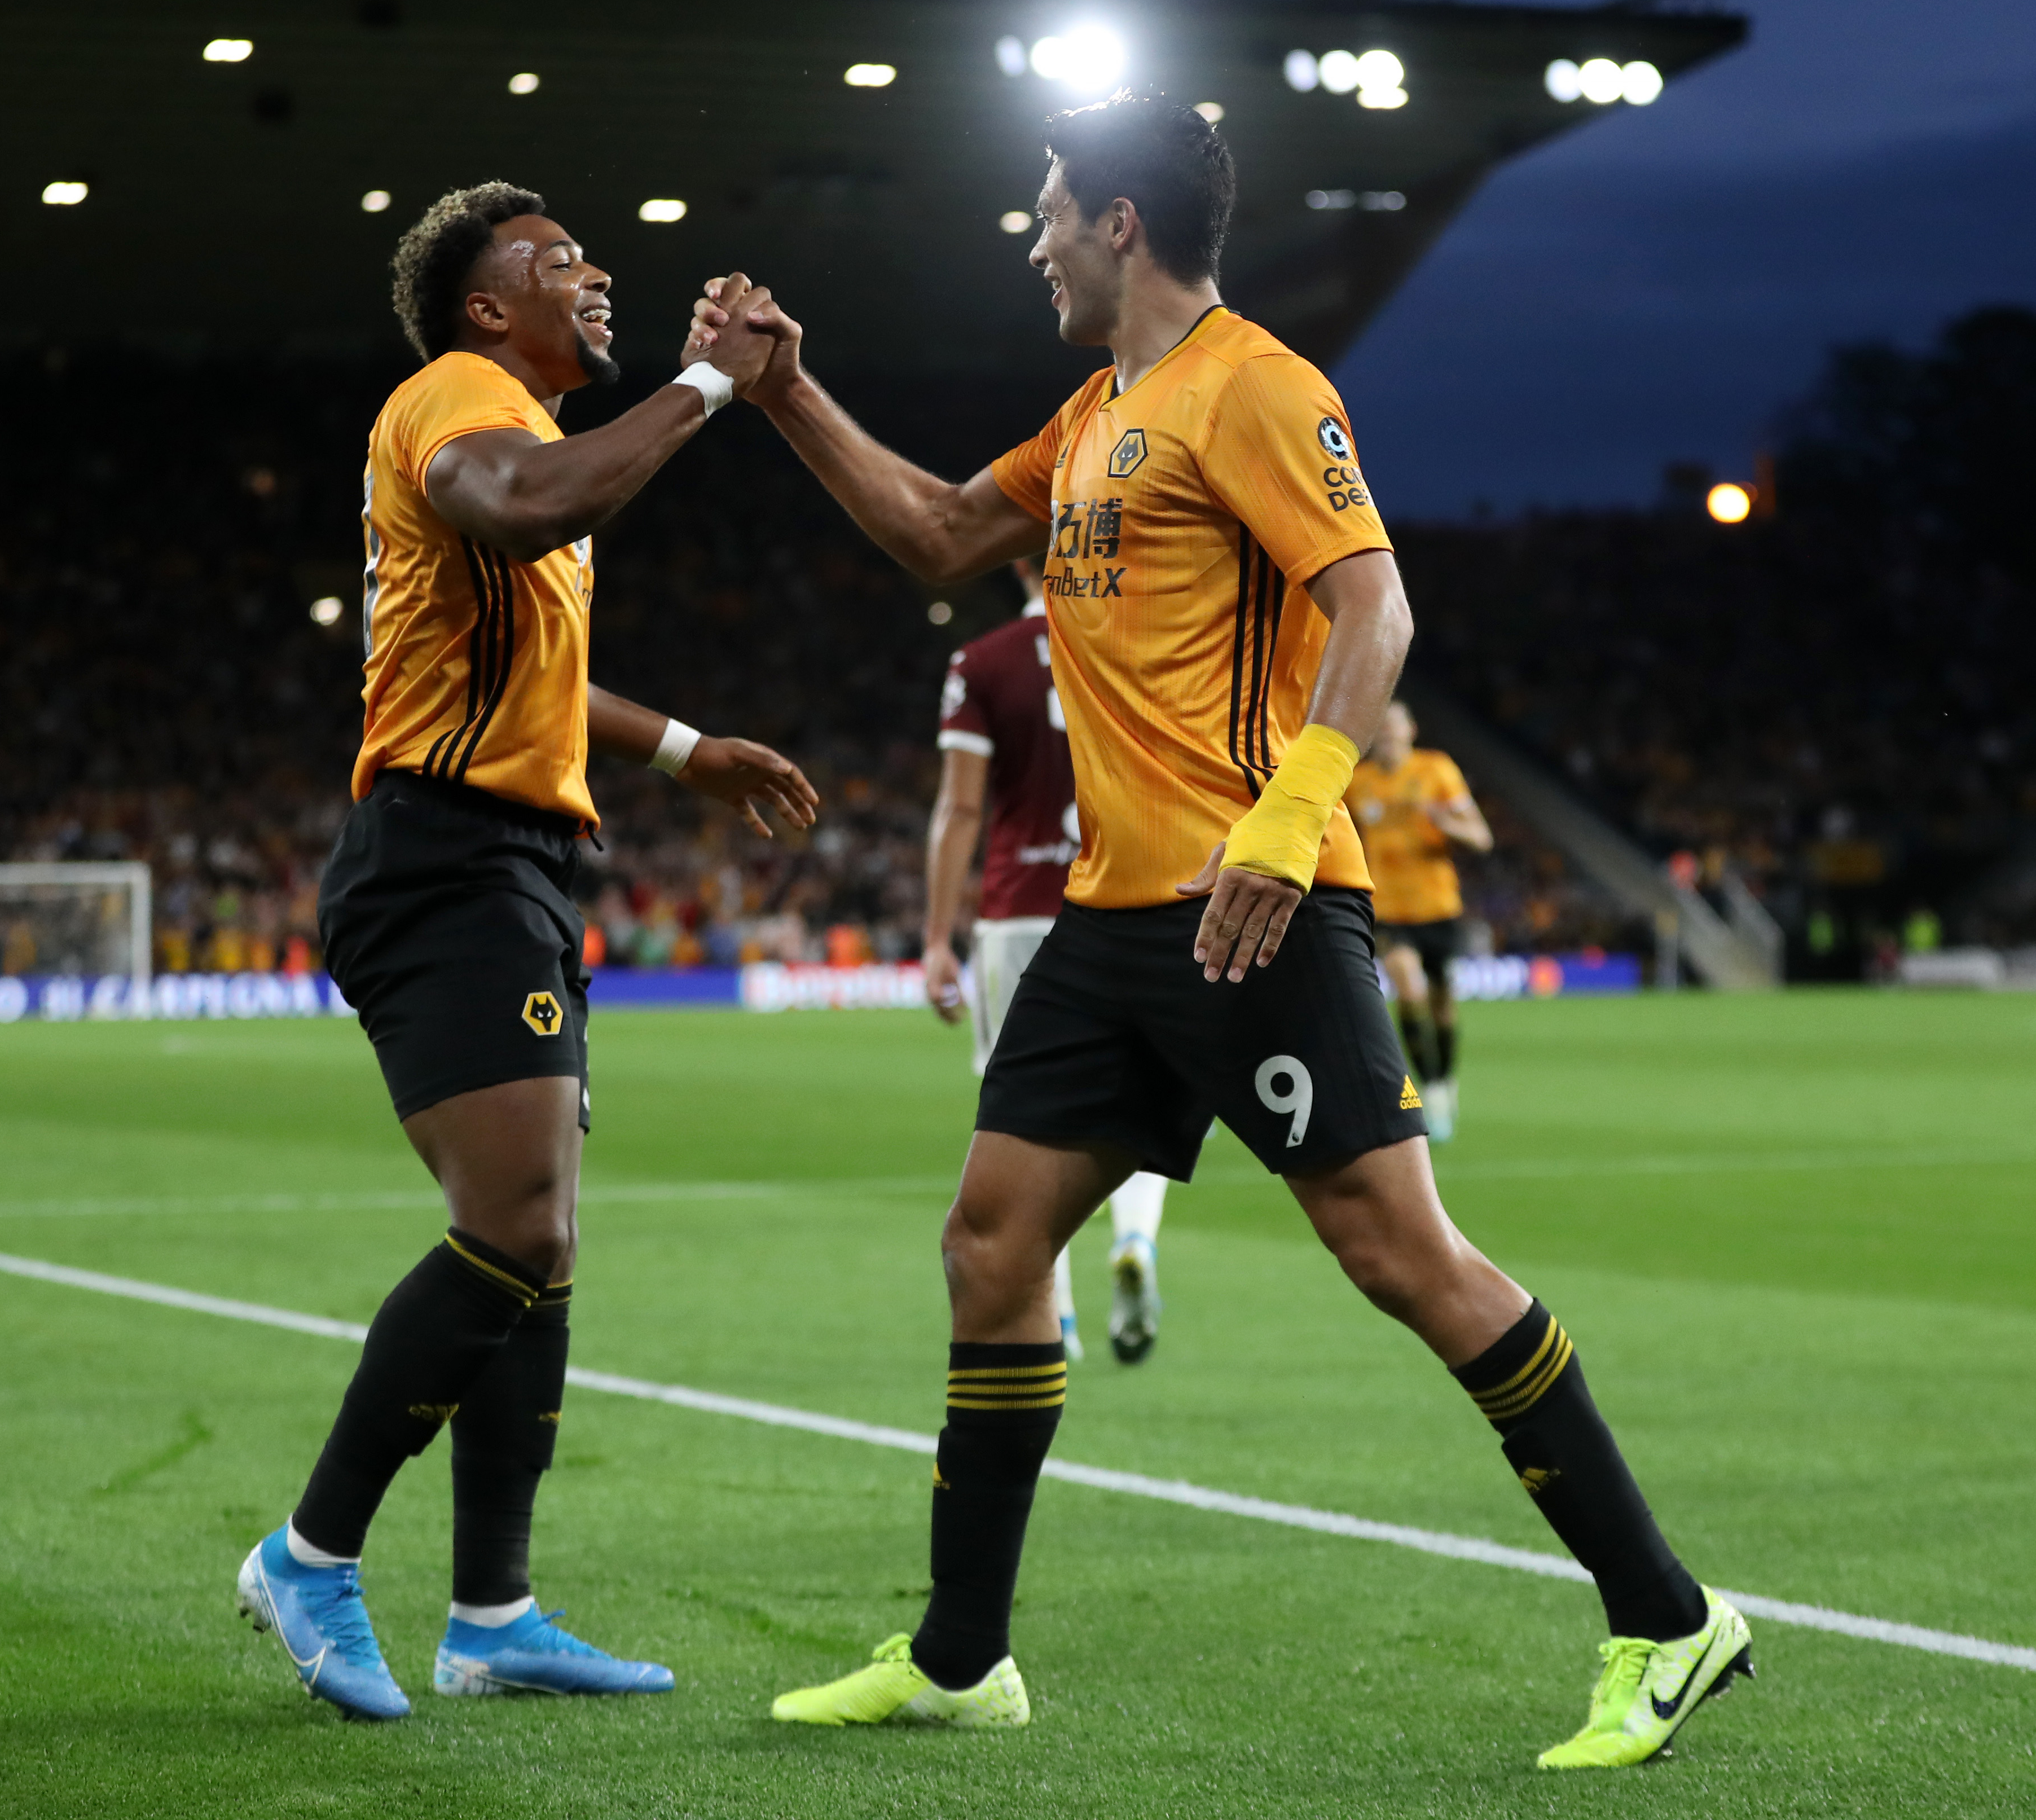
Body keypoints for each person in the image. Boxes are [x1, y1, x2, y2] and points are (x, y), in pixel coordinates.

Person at [695, 89, 1748, 1770]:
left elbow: (1375, 603)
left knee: (1400, 1255)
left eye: (1050, 211)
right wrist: (785, 393)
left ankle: (1671, 1614)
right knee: (991, 1244)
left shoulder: (1256, 383)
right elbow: (938, 534)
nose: (1035, 242)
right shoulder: (1096, 411)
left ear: (1119, 223)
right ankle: (963, 1655)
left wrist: (1289, 807)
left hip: (1255, 906)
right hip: (1113, 921)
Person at [232, 183, 820, 1722]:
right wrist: (709, 388)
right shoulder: (457, 396)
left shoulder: (528, 434)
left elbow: (541, 666)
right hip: (445, 857)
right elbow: (517, 505)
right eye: (559, 261)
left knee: (538, 1247)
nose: (595, 271)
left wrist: (684, 748)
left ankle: (491, 1614)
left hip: (514, 860)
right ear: (488, 308)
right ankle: (309, 1554)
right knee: (516, 1227)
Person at [925, 557, 1167, 1364]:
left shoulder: (982, 661)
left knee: (1024, 1121)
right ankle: (1135, 1238)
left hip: (1018, 913)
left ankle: (1055, 1317)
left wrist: (937, 937)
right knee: (1144, 1098)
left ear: (1022, 562)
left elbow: (961, 806)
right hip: (1127, 899)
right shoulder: (1140, 639)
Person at [1345, 701, 1494, 1140]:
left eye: (1395, 726)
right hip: (1387, 909)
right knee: (1409, 990)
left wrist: (1447, 825)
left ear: (1411, 729)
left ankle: (1445, 1079)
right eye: (1381, 726)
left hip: (1438, 907)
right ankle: (1429, 1086)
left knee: (1442, 1005)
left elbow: (1481, 837)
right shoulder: (1358, 783)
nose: (1388, 734)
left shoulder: (1436, 770)